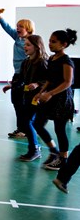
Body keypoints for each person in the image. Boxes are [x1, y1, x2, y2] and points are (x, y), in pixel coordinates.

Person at [33, 29, 76, 171]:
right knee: (38, 124)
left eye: (54, 42)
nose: (50, 44)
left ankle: (63, 159)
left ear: (64, 44)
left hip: (62, 99)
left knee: (60, 129)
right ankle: (54, 151)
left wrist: (50, 93)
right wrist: (40, 92)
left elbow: (67, 82)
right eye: (50, 41)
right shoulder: (51, 59)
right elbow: (49, 79)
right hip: (49, 96)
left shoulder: (66, 61)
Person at [4, 35, 48, 162]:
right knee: (25, 122)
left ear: (37, 46)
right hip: (28, 97)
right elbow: (21, 79)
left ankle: (35, 149)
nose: (25, 47)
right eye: (25, 44)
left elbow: (48, 80)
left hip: (39, 98)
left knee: (28, 122)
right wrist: (11, 86)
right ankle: (34, 148)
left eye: (28, 45)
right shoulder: (26, 62)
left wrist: (37, 84)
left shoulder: (43, 62)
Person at [0, 9, 35, 138]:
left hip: (26, 76)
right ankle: (22, 128)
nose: (17, 28)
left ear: (28, 29)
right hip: (17, 74)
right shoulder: (17, 38)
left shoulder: (31, 42)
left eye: (21, 27)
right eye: (17, 26)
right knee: (17, 102)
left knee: (23, 103)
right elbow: (6, 27)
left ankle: (26, 128)